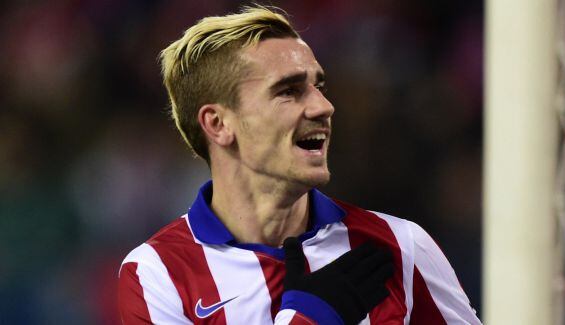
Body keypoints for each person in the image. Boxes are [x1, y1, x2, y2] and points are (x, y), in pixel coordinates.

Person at [117, 5, 481, 324]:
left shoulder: (401, 247)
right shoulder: (157, 273)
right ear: (218, 124)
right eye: (288, 91)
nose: (323, 106)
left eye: (318, 86)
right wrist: (312, 318)